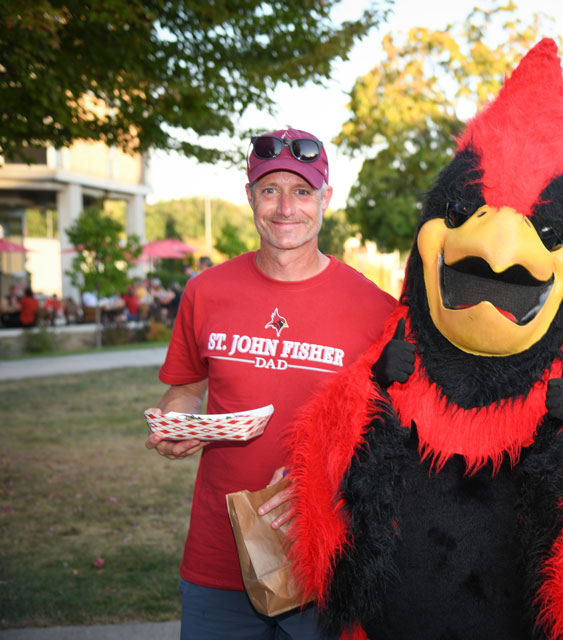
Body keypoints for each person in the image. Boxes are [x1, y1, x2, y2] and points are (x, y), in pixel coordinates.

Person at [145, 127, 397, 639]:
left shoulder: (376, 309)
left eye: (302, 191)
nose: (286, 208)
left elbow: (393, 432)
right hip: (219, 559)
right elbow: (187, 384)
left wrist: (331, 479)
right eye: (270, 190)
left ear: (325, 198)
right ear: (249, 196)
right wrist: (180, 420)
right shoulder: (205, 291)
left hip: (323, 555)